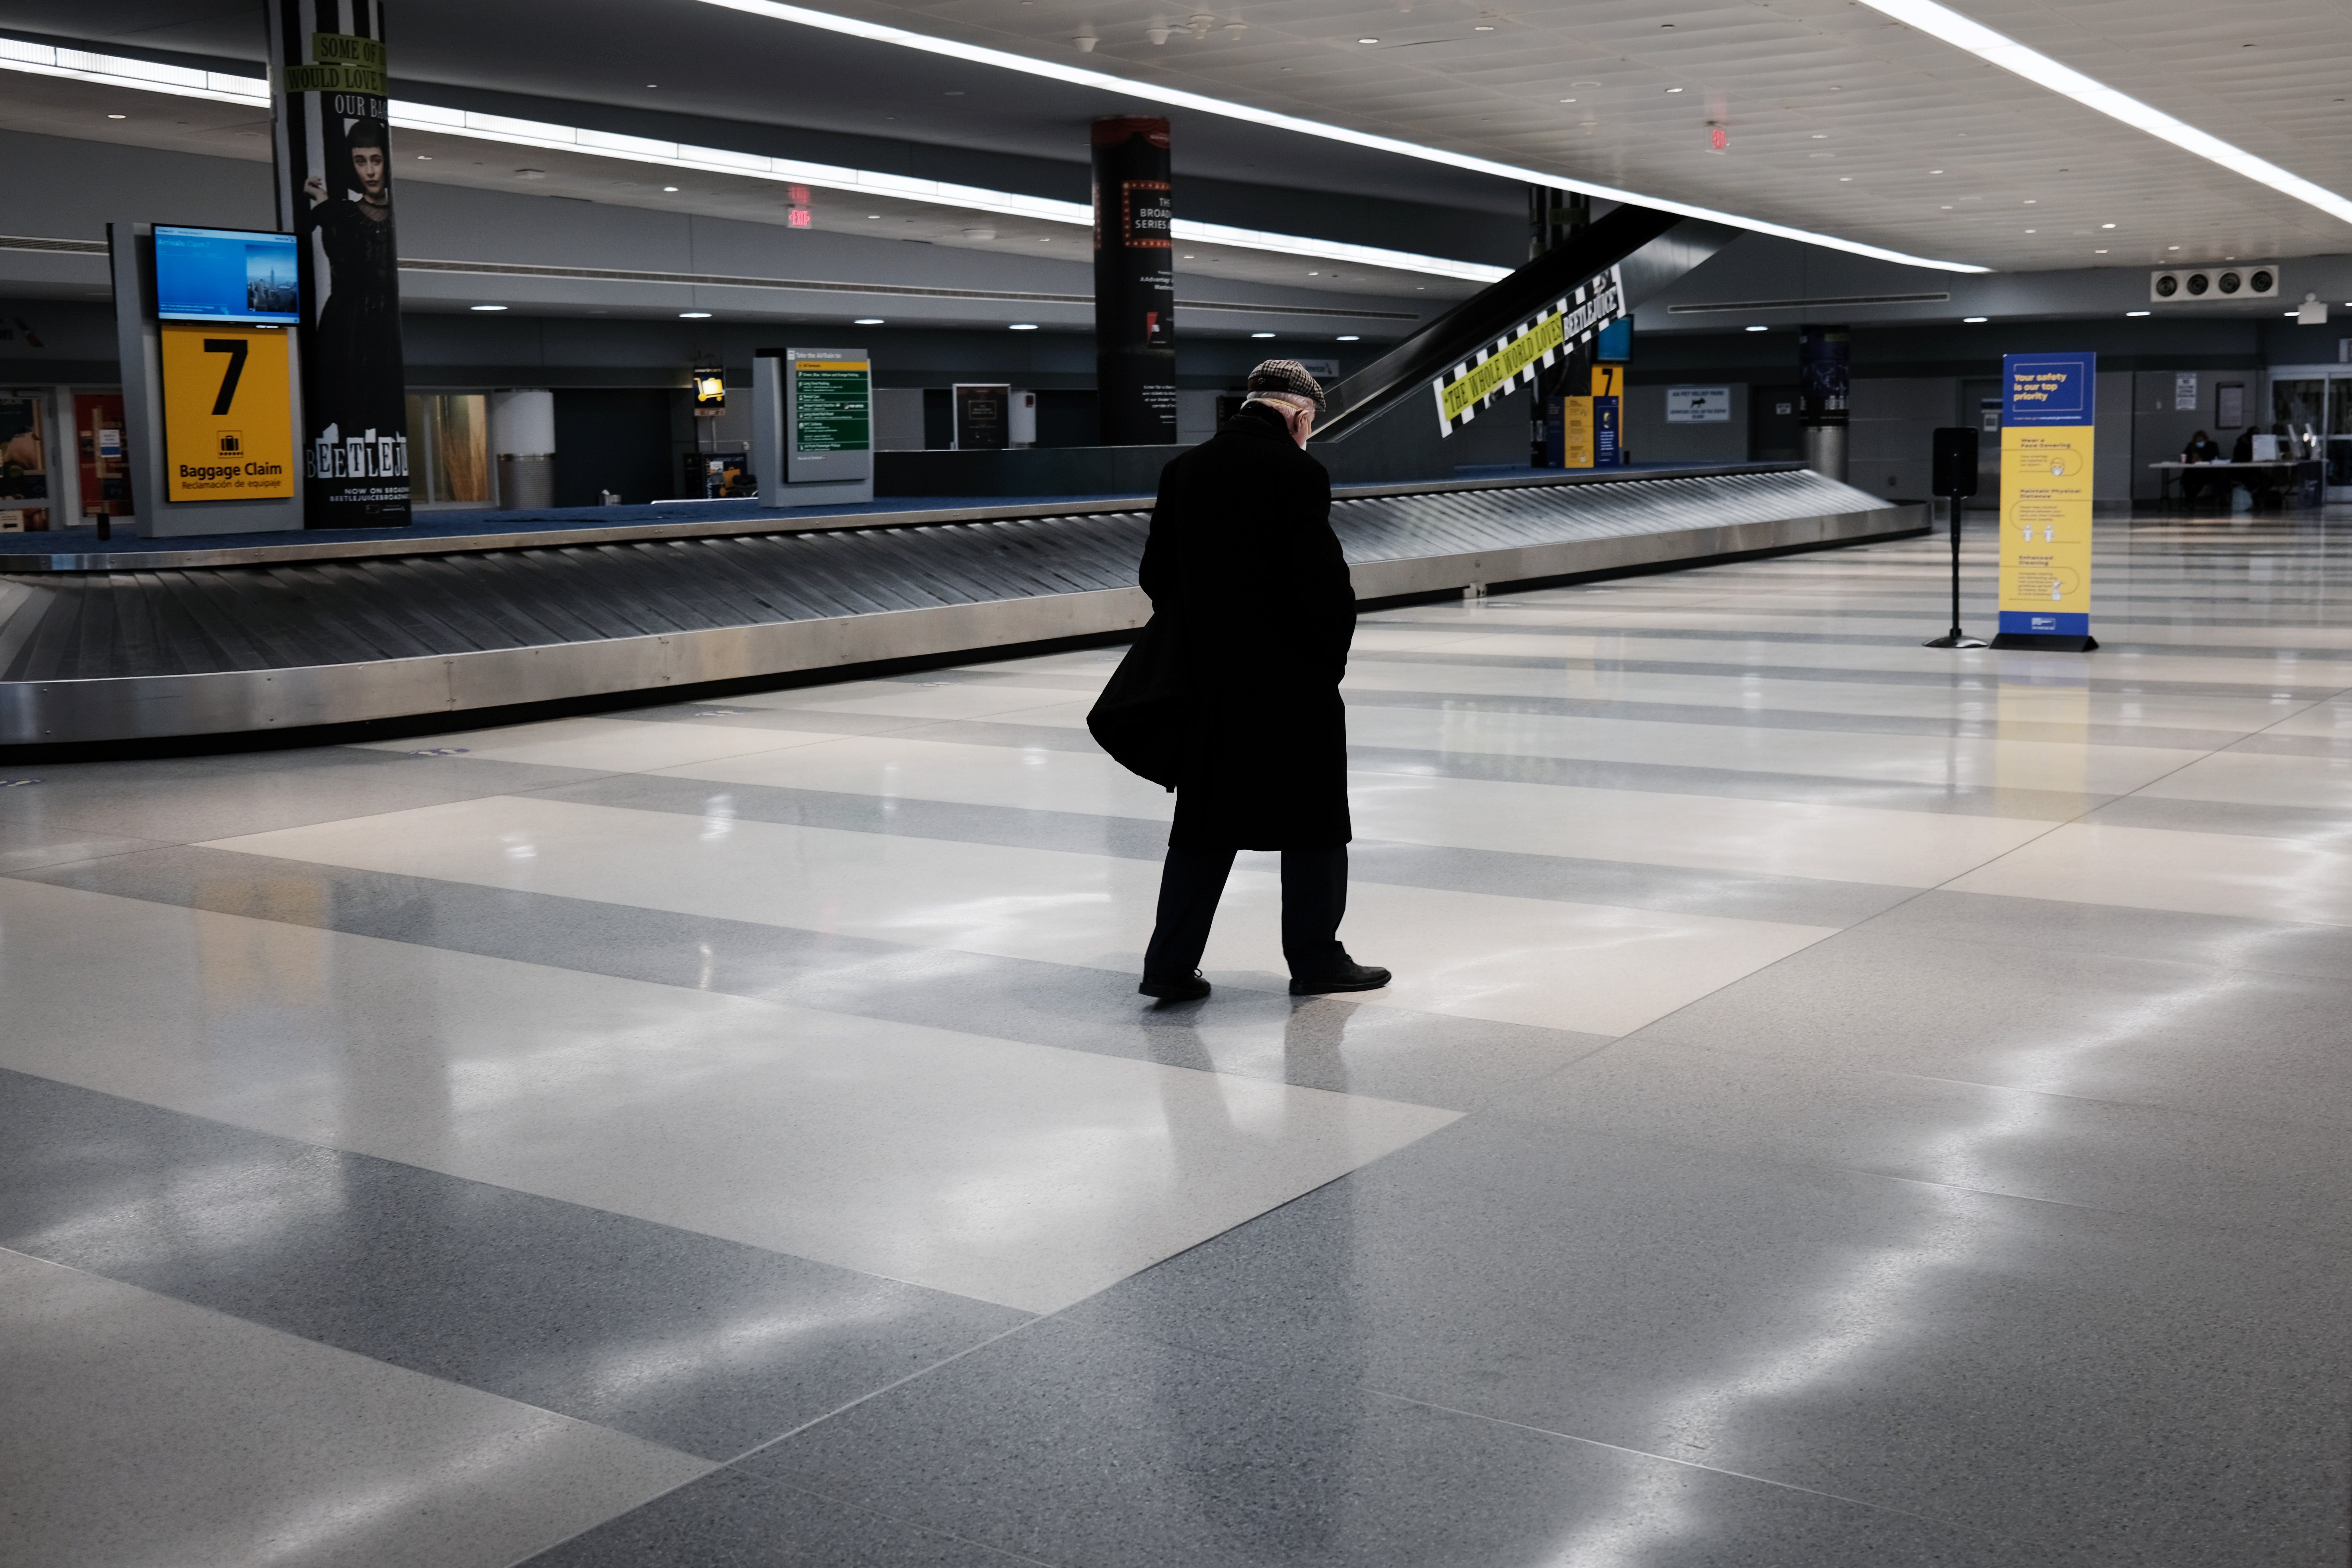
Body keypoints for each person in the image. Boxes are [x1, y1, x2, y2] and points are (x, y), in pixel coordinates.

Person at [1134, 359, 1389, 1003]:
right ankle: (1315, 959)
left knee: (1202, 823)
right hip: (1288, 680)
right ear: (1299, 416)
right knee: (1315, 822)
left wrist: (1203, 637)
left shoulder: (1183, 470)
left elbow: (1155, 575)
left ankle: (1167, 964)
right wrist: (1322, 663)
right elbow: (1323, 586)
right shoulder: (1295, 471)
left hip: (1210, 678)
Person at [301, 118, 403, 444]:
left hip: (382, 323)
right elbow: (341, 261)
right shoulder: (343, 213)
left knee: (383, 406)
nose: (370, 172)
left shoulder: (390, 218)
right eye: (361, 162)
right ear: (352, 165)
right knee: (349, 402)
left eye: (376, 160)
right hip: (351, 323)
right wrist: (323, 203)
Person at [2178, 429, 2220, 503]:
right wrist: (2192, 460)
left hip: (2207, 472)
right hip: (2193, 472)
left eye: (2201, 441)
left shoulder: (2212, 446)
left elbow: (2215, 457)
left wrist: (2203, 459)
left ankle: (2190, 498)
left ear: (2206, 440)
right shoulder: (2191, 446)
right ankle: (2190, 498)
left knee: (2200, 481)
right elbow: (2184, 457)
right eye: (2197, 441)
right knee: (2186, 480)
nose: (2200, 443)